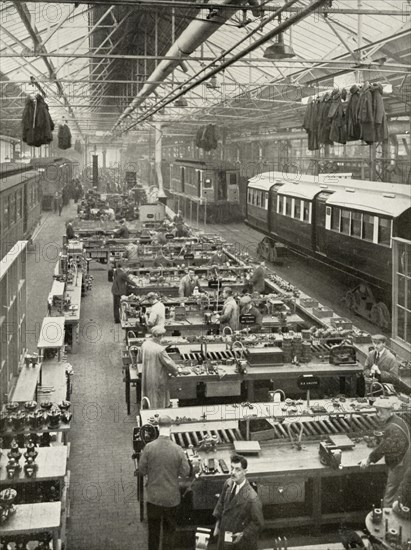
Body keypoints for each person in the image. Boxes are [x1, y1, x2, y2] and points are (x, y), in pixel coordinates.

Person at [139, 415, 191, 550]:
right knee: (169, 533)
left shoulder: (149, 448)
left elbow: (142, 470)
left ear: (158, 427)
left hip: (153, 498)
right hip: (171, 499)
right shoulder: (178, 449)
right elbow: (185, 472)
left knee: (153, 533)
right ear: (171, 428)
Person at [359, 398, 410, 506]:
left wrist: (368, 460)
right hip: (403, 458)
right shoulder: (398, 420)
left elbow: (384, 447)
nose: (378, 414)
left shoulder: (392, 427)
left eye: (381, 411)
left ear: (389, 410)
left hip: (400, 464)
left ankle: (386, 518)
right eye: (376, 410)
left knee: (390, 496)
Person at [213, 454, 264, 550]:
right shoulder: (228, 483)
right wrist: (217, 524)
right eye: (232, 468)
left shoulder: (252, 498)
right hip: (224, 535)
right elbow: (221, 503)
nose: (232, 472)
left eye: (237, 469)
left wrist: (243, 534)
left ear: (245, 472)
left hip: (239, 543)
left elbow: (259, 523)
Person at [139, 326, 180, 409]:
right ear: (159, 336)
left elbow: (139, 358)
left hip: (147, 375)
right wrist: (177, 370)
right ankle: (159, 413)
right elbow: (169, 363)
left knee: (149, 396)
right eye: (162, 336)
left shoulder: (145, 344)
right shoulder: (160, 349)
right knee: (158, 398)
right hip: (158, 377)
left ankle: (148, 409)